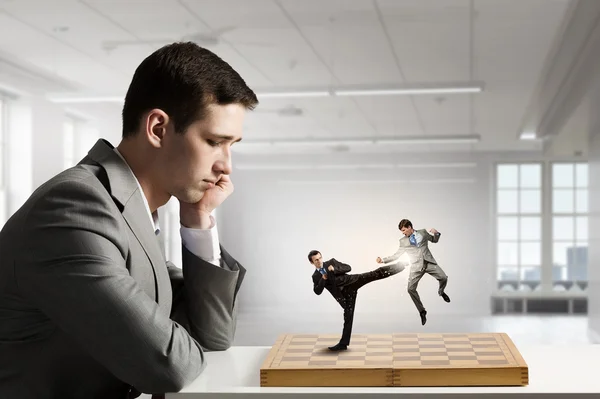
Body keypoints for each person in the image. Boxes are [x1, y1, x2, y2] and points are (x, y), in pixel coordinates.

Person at [0, 42, 258, 399]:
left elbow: (211, 333)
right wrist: (171, 335)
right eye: (215, 141)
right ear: (157, 128)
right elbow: (169, 365)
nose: (226, 166)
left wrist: (198, 219)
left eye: (233, 146)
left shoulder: (125, 210)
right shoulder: (74, 208)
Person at [309, 250, 403, 351]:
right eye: (316, 260)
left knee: (373, 274)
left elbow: (348, 268)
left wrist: (334, 269)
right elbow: (317, 291)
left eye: (320, 258)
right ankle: (343, 344)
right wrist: (323, 279)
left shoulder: (331, 262)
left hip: (352, 281)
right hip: (344, 295)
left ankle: (400, 266)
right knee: (348, 317)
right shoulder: (315, 276)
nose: (319, 261)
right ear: (312, 262)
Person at [376, 219, 450, 326]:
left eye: (404, 230)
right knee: (410, 289)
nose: (403, 233)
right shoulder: (403, 241)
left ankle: (441, 292)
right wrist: (383, 260)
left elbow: (434, 240)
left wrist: (436, 233)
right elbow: (396, 255)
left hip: (429, 263)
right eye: (402, 231)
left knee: (444, 277)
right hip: (416, 267)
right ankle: (422, 311)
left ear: (410, 227)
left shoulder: (423, 233)